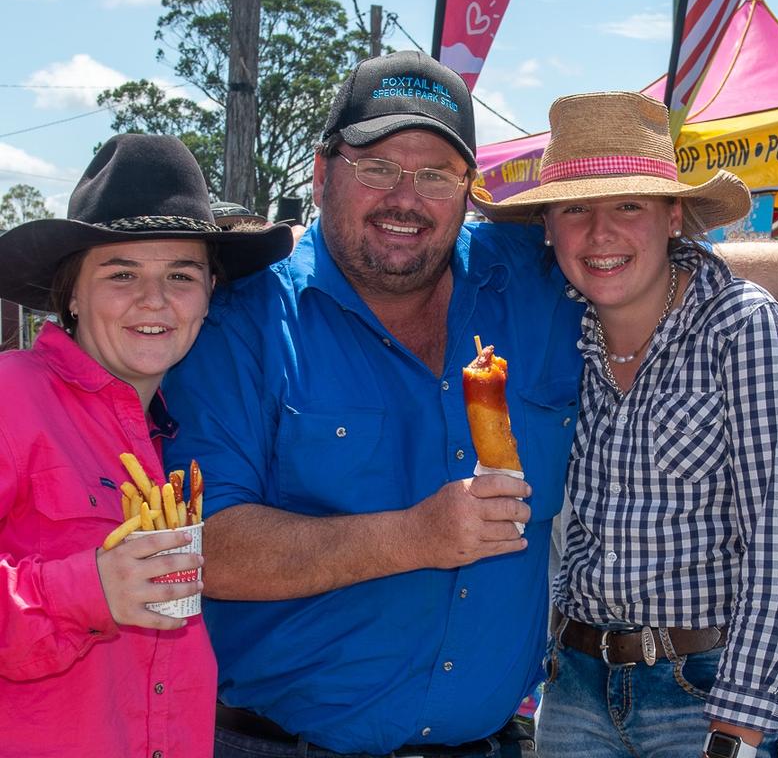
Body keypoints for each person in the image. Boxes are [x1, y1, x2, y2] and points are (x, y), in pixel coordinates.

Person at [161, 50, 584, 757]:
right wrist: (414, 536)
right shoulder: (243, 322)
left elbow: (658, 271)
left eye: (435, 175)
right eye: (378, 167)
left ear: (469, 189)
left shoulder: (533, 285)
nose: (406, 199)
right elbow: (205, 547)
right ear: (323, 175)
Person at [473, 92, 778, 758]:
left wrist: (741, 726)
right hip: (574, 680)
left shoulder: (742, 329)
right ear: (548, 226)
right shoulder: (560, 328)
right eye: (576, 209)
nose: (601, 233)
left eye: (628, 205)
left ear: (672, 216)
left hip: (702, 689)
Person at [0, 133, 293, 757]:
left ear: (210, 294)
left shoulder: (182, 431)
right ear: (71, 293)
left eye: (180, 275)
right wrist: (87, 589)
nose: (154, 300)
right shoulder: (12, 399)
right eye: (121, 273)